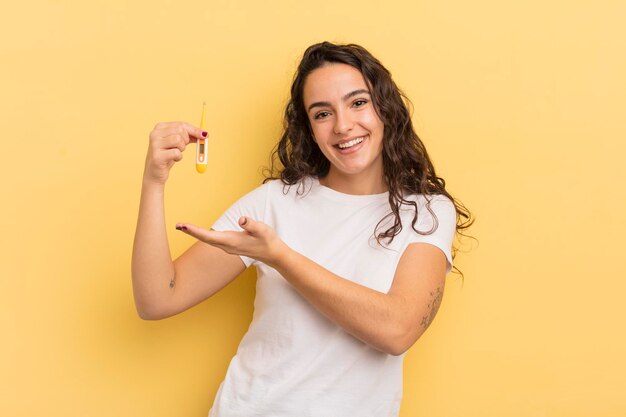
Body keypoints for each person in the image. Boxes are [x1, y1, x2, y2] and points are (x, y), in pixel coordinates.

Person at [132, 41, 473, 417]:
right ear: (309, 128)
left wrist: (279, 257)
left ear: (386, 109)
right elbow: (157, 299)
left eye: (358, 102)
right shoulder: (273, 202)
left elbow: (397, 330)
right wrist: (154, 181)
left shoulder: (425, 212)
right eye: (322, 113)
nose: (343, 126)